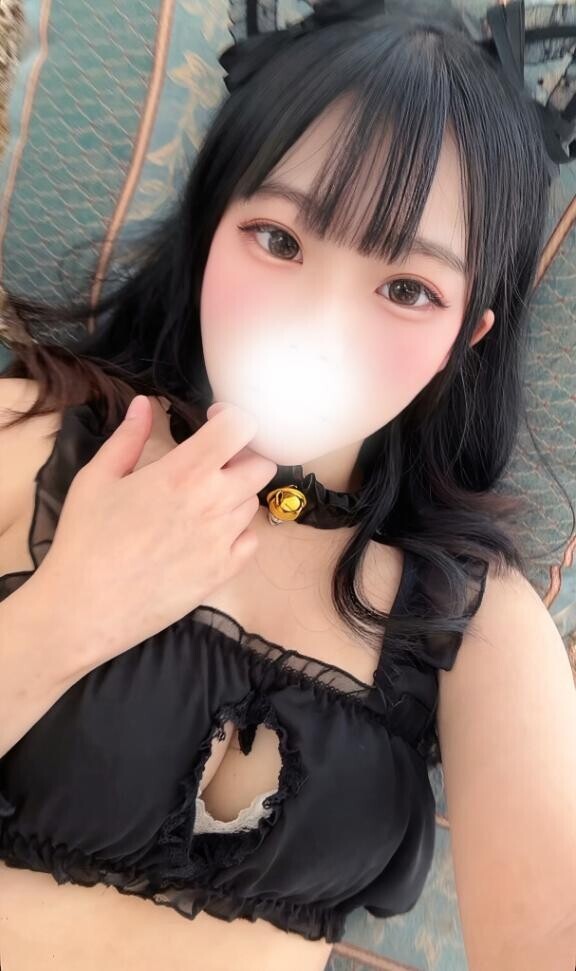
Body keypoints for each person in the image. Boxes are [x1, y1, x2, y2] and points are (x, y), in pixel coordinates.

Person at [1, 2, 575, 970]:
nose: (320, 319)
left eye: (408, 289)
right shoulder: (29, 438)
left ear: (464, 338)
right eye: (277, 239)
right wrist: (73, 608)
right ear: (211, 227)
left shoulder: (474, 622)